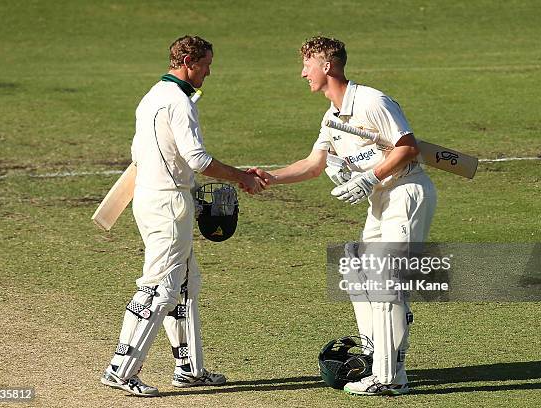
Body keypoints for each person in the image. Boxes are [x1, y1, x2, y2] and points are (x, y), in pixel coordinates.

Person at [249, 36, 437, 396]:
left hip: (406, 194)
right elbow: (313, 164)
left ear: (328, 66)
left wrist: (369, 177)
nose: (302, 72)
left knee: (387, 285)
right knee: (361, 279)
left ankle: (391, 379)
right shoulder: (332, 116)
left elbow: (408, 147)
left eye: (307, 64)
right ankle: (376, 360)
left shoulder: (371, 100)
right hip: (381, 201)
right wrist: (270, 178)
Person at [100, 35, 264, 397]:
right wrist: (243, 177)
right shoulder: (178, 102)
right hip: (169, 204)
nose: (209, 70)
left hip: (151, 196)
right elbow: (199, 160)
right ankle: (120, 369)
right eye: (205, 64)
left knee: (186, 285)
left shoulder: (153, 95)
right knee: (159, 288)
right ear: (189, 62)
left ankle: (190, 368)